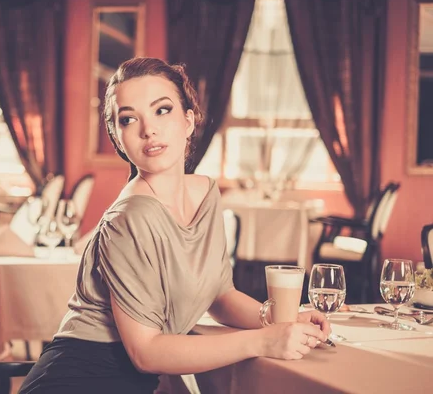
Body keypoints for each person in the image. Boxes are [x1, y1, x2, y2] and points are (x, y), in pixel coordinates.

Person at [19, 57, 331, 393]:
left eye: (161, 110)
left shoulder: (206, 193)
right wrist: (263, 342)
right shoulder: (129, 217)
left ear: (188, 119)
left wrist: (277, 320)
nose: (148, 129)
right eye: (128, 119)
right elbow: (146, 352)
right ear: (118, 139)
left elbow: (221, 296)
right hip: (80, 378)